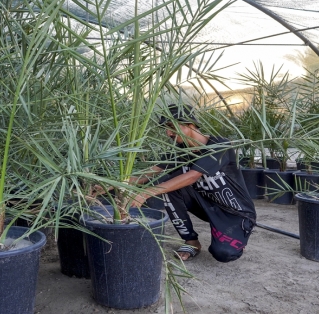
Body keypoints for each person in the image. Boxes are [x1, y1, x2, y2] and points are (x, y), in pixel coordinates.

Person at [96, 104, 257, 262]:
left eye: (171, 127)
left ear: (190, 125)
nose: (168, 133)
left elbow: (192, 176)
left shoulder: (219, 145)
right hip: (207, 206)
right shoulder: (179, 150)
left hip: (235, 212)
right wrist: (109, 184)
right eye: (166, 128)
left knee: (223, 253)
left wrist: (146, 193)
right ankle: (191, 241)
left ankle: (237, 234)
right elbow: (149, 172)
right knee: (168, 186)